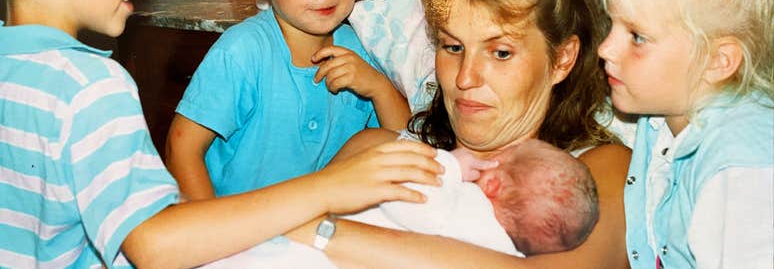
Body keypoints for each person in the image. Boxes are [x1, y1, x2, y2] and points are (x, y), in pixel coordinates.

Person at [0, 0, 442, 267]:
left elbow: (402, 141)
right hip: (230, 231)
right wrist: (320, 193)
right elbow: (154, 241)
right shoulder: (94, 85)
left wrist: (380, 88)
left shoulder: (359, 47)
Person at [285, 0, 633, 269]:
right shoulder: (376, 150)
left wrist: (325, 233)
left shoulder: (597, 173)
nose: (465, 78)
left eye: (500, 53)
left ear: (562, 59)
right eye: (452, 47)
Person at [165, 0, 411, 200]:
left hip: (314, 218)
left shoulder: (359, 46)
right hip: (238, 219)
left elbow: (407, 141)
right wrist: (212, 234)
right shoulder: (243, 51)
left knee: (382, 144)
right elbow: (180, 148)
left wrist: (379, 87)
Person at [595, 0, 773, 268]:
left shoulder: (743, 169)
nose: (605, 49)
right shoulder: (668, 108)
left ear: (717, 61)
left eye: (637, 37)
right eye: (611, 25)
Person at [202, 135, 600, 268]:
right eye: (452, 47)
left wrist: (445, 166)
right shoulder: (503, 245)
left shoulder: (468, 207)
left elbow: (410, 198)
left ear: (492, 183)